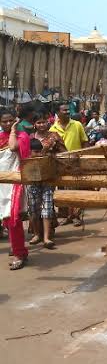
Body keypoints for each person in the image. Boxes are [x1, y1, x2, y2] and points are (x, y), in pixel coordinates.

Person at [28, 113, 66, 249]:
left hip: (49, 177)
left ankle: (46, 237)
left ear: (48, 123)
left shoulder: (54, 136)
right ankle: (37, 234)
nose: (41, 125)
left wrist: (52, 158)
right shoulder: (29, 138)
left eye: (43, 122)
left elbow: (64, 153)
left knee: (48, 207)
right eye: (38, 122)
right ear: (34, 124)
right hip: (31, 177)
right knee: (33, 208)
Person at [0, 109, 31, 269]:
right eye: (4, 121)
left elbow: (12, 148)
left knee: (14, 220)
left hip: (15, 183)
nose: (7, 123)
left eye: (10, 121)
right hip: (1, 184)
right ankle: (19, 249)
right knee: (6, 220)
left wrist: (13, 131)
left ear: (15, 121)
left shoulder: (22, 136)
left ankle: (19, 254)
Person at [50, 103, 88, 226]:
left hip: (75, 163)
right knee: (63, 191)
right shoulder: (53, 129)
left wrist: (84, 159)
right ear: (58, 112)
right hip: (60, 165)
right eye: (64, 110)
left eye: (68, 110)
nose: (67, 112)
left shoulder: (77, 125)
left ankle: (77, 216)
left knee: (77, 190)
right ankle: (67, 215)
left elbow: (85, 143)